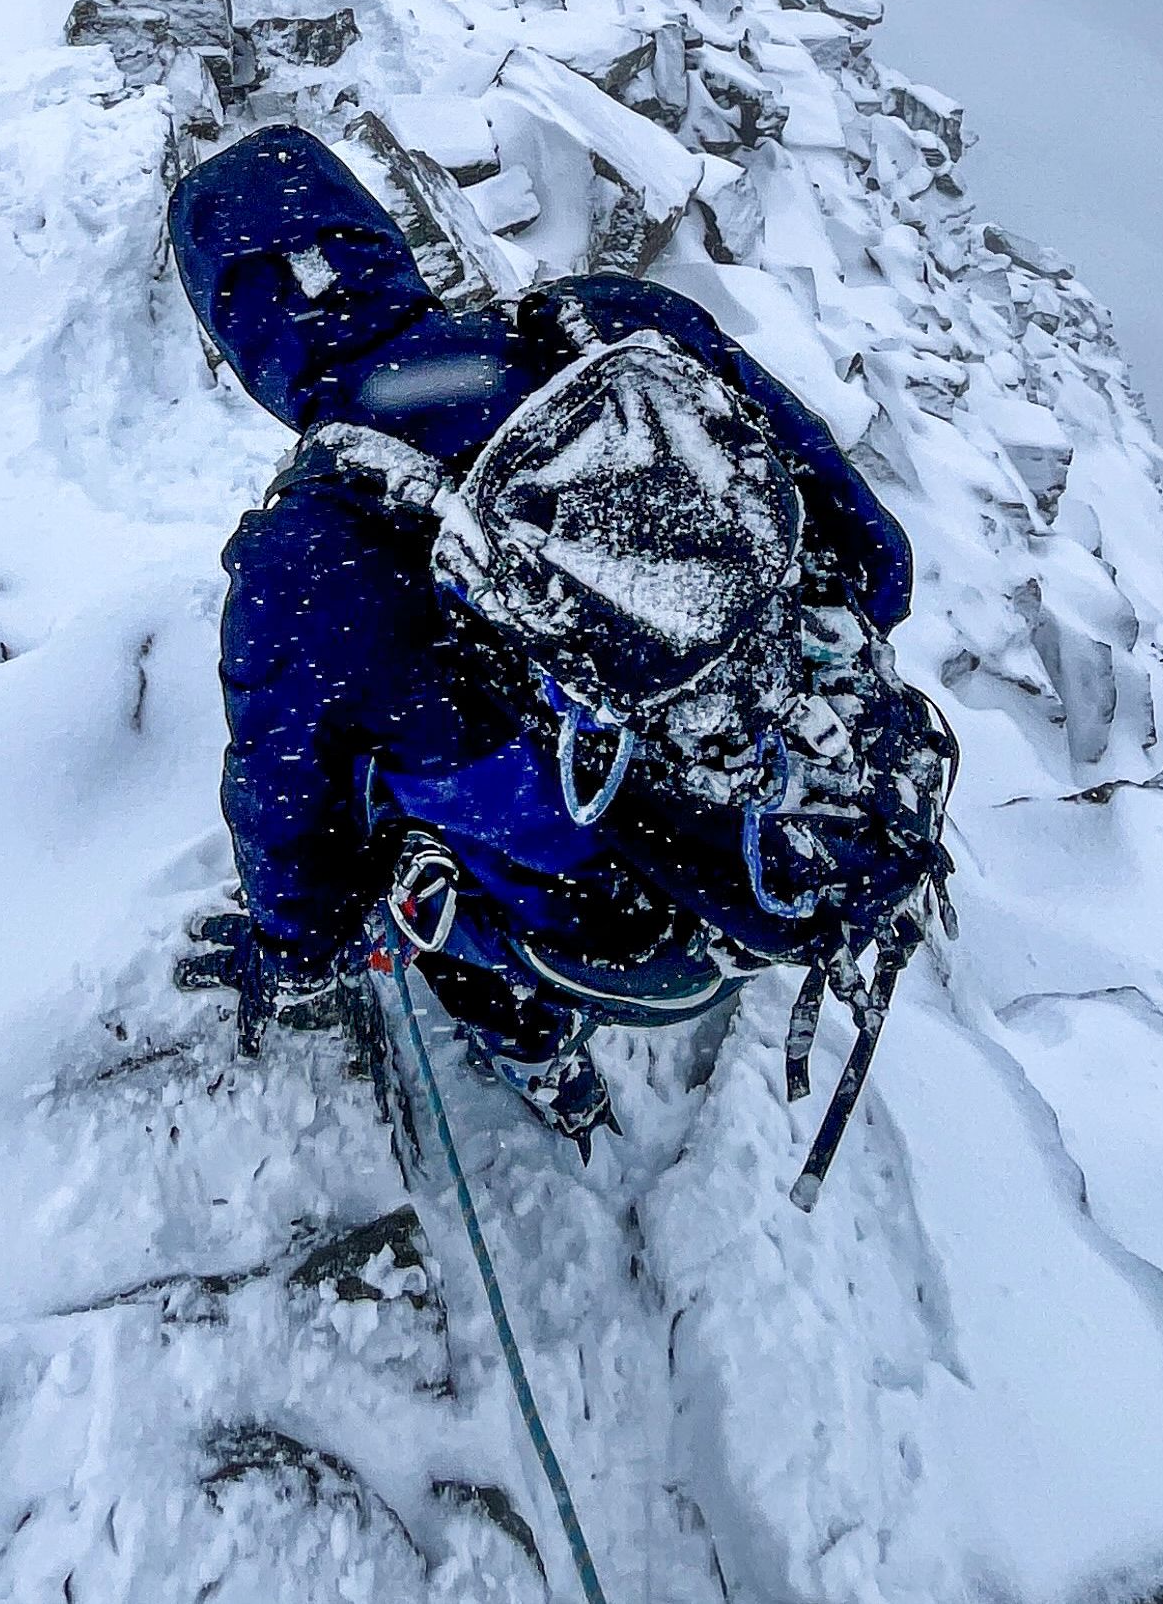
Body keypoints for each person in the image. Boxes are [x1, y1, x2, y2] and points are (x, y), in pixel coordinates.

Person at [167, 125, 954, 1177]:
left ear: (242, 337)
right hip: (817, 810)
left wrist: (292, 951)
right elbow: (875, 558)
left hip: (627, 942)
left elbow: (287, 824)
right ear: (380, 240)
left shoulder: (305, 550)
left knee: (400, 837)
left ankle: (538, 1049)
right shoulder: (609, 328)